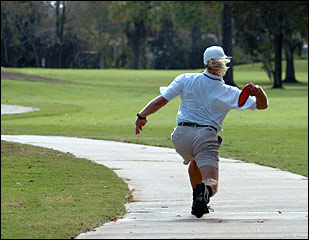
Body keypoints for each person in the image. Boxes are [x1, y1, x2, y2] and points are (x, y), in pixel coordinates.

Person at [135, 46, 268, 218]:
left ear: (205, 63)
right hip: (205, 136)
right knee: (211, 182)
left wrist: (141, 116)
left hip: (180, 137)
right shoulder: (229, 92)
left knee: (194, 164)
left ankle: (197, 201)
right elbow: (262, 105)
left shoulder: (186, 79)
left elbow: (161, 101)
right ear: (224, 64)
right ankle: (204, 192)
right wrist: (258, 91)